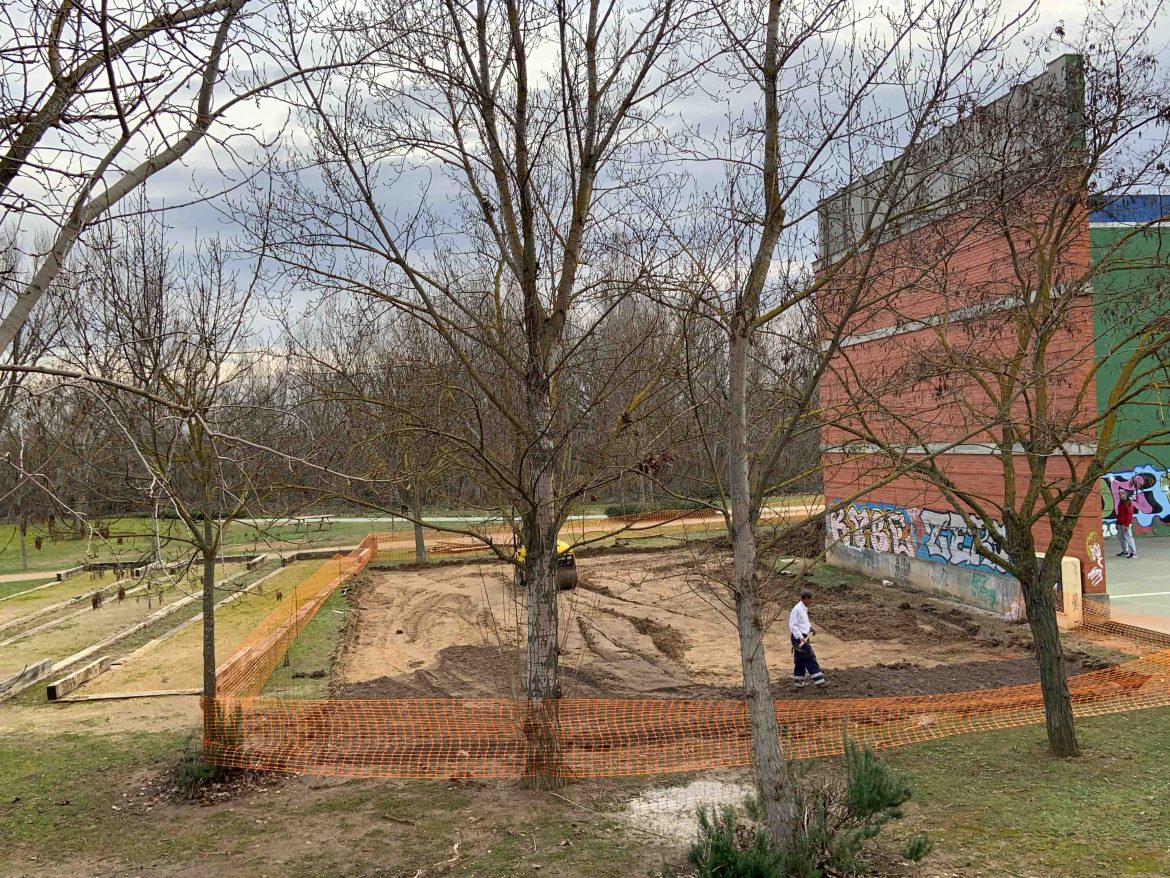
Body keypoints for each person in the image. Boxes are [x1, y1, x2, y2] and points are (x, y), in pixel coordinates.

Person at [789, 588, 828, 689]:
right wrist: (801, 637)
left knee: (800, 660)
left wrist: (810, 628)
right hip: (799, 638)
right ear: (805, 598)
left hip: (804, 636)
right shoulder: (797, 609)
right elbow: (793, 625)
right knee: (810, 657)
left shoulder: (804, 609)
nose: (811, 601)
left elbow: (804, 622)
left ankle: (799, 682)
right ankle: (819, 681)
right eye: (810, 599)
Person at [1116, 489, 1137, 558]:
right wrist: (1117, 523)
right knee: (1121, 538)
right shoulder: (1120, 504)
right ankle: (1125, 552)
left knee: (1128, 538)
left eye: (1123, 494)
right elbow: (1119, 515)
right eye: (1120, 494)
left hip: (1126, 524)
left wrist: (1127, 525)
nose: (1121, 496)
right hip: (1120, 523)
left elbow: (1129, 515)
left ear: (1126, 495)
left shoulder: (1129, 504)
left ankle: (1133, 553)